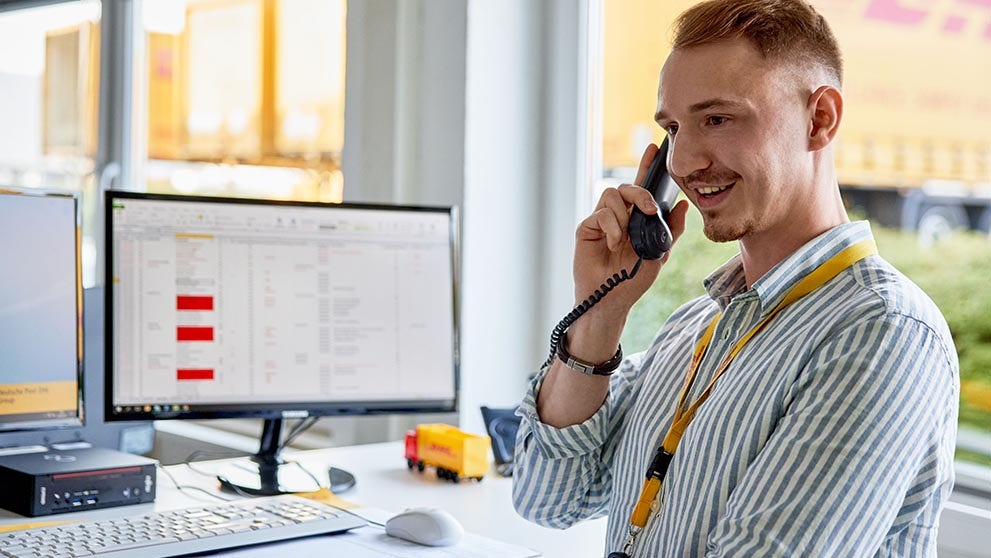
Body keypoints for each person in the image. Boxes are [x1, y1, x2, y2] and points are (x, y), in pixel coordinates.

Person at [511, 1, 960, 556]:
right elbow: (548, 498)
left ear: (820, 120)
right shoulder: (697, 324)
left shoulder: (882, 335)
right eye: (673, 128)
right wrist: (601, 313)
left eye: (717, 119)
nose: (684, 161)